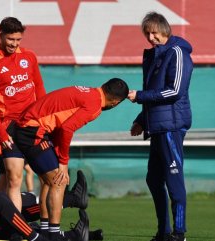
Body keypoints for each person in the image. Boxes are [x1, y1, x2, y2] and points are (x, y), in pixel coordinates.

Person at [14, 78, 129, 241]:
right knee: (58, 181)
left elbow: (59, 124)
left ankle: (47, 231)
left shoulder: (91, 93)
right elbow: (67, 128)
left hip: (30, 128)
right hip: (32, 130)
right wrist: (63, 162)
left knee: (49, 181)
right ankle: (54, 234)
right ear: (116, 102)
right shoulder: (94, 105)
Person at [127, 11, 192, 241]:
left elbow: (174, 91)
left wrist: (140, 96)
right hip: (157, 127)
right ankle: (164, 232)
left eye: (154, 32)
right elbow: (156, 95)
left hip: (171, 127)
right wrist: (141, 120)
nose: (151, 37)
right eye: (147, 33)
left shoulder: (177, 52)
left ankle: (179, 233)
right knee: (153, 180)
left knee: (174, 180)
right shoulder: (156, 56)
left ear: (165, 29)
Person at [0, 16, 46, 212]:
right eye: (10, 39)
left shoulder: (29, 56)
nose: (14, 44)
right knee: (13, 179)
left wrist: (44, 119)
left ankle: (48, 227)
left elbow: (39, 88)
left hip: (33, 123)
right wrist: (0, 132)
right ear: (0, 35)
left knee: (47, 176)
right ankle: (15, 228)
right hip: (9, 128)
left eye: (18, 40)